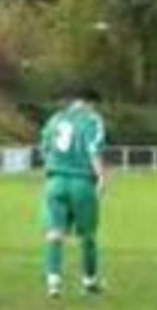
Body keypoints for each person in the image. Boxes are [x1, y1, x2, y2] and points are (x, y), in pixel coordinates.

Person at [39, 87, 106, 298]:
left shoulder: (55, 118)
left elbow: (45, 148)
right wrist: (101, 176)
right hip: (82, 182)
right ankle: (89, 282)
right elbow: (93, 148)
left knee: (54, 234)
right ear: (89, 103)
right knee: (87, 236)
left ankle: (53, 283)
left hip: (55, 181)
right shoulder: (92, 120)